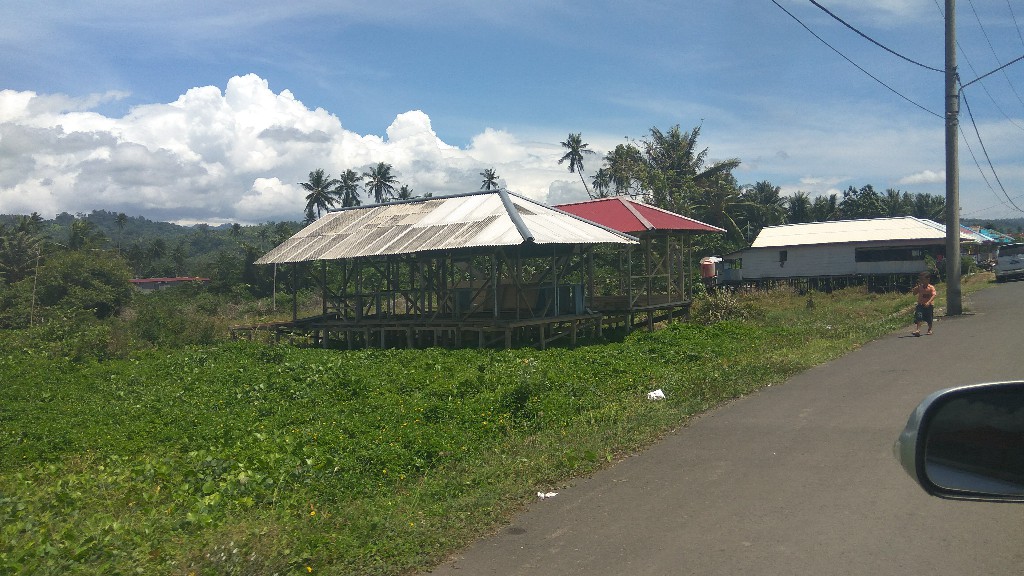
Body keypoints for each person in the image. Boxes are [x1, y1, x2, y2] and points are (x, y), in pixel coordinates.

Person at [911, 272, 936, 336]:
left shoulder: (931, 287)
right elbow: (914, 293)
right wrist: (917, 287)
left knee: (929, 318)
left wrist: (929, 302)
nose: (922, 281)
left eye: (923, 279)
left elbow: (934, 295)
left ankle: (929, 329)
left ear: (928, 280)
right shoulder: (920, 287)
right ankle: (918, 330)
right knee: (919, 316)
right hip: (920, 305)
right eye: (921, 279)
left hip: (929, 305)